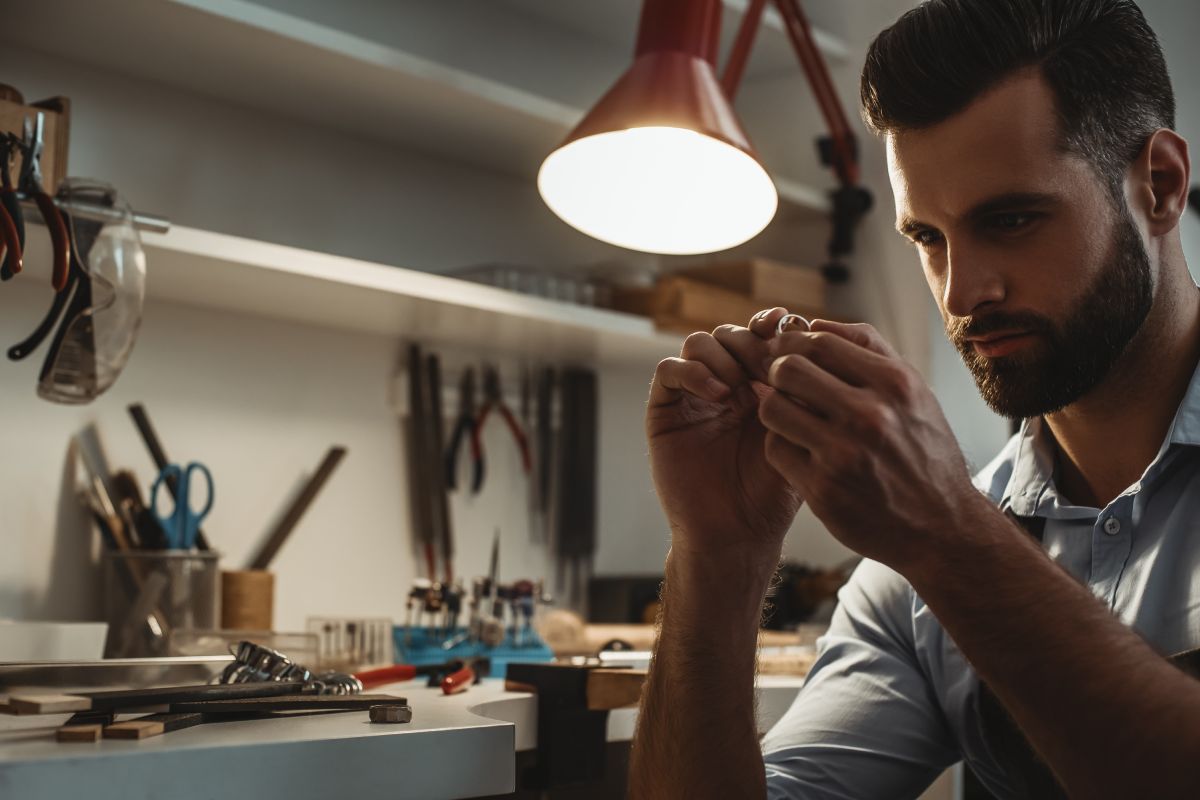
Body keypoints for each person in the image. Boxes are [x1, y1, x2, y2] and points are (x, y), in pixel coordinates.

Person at [627, 0, 1200, 797]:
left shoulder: (940, 536)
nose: (962, 291)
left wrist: (945, 531)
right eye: (928, 238)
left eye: (1012, 218)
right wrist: (717, 557)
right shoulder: (915, 572)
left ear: (1161, 186)